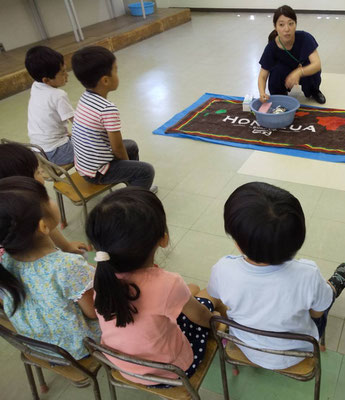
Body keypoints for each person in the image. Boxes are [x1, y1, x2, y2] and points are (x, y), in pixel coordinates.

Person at [207, 182, 345, 370]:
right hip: (298, 353)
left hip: (247, 347)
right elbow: (316, 313)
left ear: (238, 244)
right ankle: (333, 286)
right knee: (323, 301)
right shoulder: (307, 273)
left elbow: (220, 299)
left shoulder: (223, 269)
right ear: (297, 240)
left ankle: (330, 288)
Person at [86, 187, 219, 385]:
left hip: (121, 364)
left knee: (189, 290)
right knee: (208, 301)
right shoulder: (168, 283)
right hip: (171, 372)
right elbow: (201, 318)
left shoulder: (100, 273)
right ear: (163, 239)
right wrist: (215, 321)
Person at [0, 177, 100, 359]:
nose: (52, 201)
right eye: (48, 198)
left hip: (37, 346)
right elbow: (94, 312)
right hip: (75, 349)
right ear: (43, 226)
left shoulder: (5, 260)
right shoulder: (67, 266)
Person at [70, 46, 157, 193]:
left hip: (84, 166)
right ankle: (133, 201)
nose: (118, 74)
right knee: (146, 171)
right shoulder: (107, 109)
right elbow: (117, 149)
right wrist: (128, 165)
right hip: (97, 172)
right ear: (105, 80)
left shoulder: (85, 98)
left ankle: (134, 186)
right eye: (115, 70)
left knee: (131, 146)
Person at [0, 143, 89, 255]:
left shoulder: (12, 206)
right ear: (24, 182)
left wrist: (66, 246)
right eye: (38, 172)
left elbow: (48, 224)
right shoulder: (31, 207)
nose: (42, 176)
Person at [258, 5, 326, 104]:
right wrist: (262, 93)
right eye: (281, 25)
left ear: (295, 24)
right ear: (275, 27)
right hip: (285, 73)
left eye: (291, 24)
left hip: (303, 70)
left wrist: (299, 72)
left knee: (312, 68)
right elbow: (262, 76)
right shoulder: (271, 47)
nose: (287, 29)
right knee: (276, 71)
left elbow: (317, 64)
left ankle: (313, 90)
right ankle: (279, 96)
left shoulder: (305, 38)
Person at [25, 46, 75, 165]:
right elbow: (78, 123)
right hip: (56, 152)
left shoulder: (36, 86)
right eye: (62, 72)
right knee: (101, 147)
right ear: (46, 80)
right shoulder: (58, 95)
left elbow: (47, 118)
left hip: (39, 150)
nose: (67, 75)